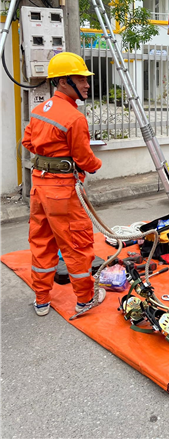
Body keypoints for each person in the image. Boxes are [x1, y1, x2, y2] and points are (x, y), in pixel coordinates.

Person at [22, 52, 106, 316]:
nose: (86, 84)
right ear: (63, 81)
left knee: (41, 242)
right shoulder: (74, 118)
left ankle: (41, 300)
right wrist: (96, 165)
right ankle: (84, 299)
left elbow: (27, 142)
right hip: (63, 192)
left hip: (39, 188)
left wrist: (52, 152)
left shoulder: (38, 111)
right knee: (77, 245)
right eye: (81, 79)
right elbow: (84, 159)